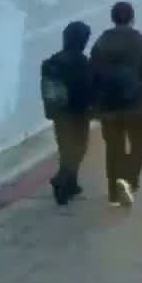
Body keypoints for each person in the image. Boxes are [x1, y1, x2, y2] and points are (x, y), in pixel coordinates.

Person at [89, 0, 142, 208]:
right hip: (137, 105)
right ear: (132, 18)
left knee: (113, 148)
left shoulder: (101, 42)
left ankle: (113, 194)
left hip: (108, 106)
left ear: (113, 18)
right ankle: (128, 179)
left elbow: (92, 75)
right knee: (140, 143)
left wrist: (93, 105)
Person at [38, 21, 96, 206]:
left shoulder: (51, 62)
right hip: (78, 114)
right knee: (78, 150)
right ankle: (62, 182)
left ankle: (71, 184)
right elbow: (87, 89)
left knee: (65, 149)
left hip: (58, 113)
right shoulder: (82, 62)